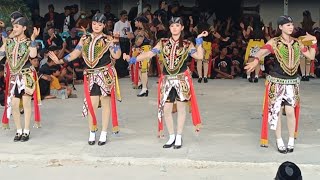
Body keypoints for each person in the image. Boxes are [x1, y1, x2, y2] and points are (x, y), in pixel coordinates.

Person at [123, 17, 208, 149]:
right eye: (172, 25)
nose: (175, 28)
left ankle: (179, 136)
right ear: (169, 28)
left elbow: (199, 56)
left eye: (177, 25)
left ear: (182, 28)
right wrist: (134, 59)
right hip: (167, 80)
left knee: (181, 108)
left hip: (181, 79)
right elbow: (150, 54)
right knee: (166, 109)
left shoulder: (187, 44)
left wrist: (199, 42)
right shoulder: (162, 42)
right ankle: (171, 136)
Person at [245, 15, 317, 153]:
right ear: (280, 27)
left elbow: (311, 56)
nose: (291, 27)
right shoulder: (274, 42)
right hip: (276, 81)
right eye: (287, 25)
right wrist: (255, 60)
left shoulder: (297, 42)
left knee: (290, 111)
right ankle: (279, 140)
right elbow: (262, 51)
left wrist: (313, 41)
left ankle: (290, 140)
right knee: (276, 112)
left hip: (292, 82)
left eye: (291, 24)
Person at [49, 13, 122, 146]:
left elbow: (116, 55)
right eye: (94, 24)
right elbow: (76, 53)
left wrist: (116, 41)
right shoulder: (85, 38)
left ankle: (104, 132)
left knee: (105, 103)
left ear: (104, 25)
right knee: (91, 105)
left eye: (100, 24)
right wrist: (60, 60)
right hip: (91, 75)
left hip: (105, 74)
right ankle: (92, 131)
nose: (97, 26)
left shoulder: (108, 39)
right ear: (91, 24)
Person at [0, 12, 41, 141]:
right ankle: (18, 130)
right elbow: (1, 54)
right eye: (14, 26)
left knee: (27, 103)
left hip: (26, 75)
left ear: (24, 28)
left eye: (17, 26)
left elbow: (33, 55)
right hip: (13, 77)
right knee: (14, 104)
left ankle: (26, 130)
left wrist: (33, 39)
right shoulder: (9, 42)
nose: (14, 29)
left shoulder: (29, 42)